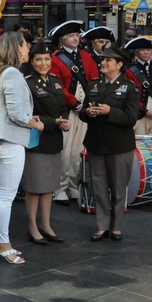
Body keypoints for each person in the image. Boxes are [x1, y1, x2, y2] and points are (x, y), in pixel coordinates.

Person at [0, 32, 44, 264]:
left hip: (4, 139)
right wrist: (36, 123)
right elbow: (17, 114)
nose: (28, 49)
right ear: (17, 49)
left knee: (1, 192)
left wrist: (29, 118)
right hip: (10, 141)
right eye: (26, 46)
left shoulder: (2, 72)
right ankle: (2, 243)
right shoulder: (11, 73)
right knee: (6, 195)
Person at [80, 44, 140, 242]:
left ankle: (116, 227)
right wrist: (87, 113)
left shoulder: (130, 88)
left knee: (117, 187)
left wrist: (110, 112)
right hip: (96, 143)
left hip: (119, 145)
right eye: (102, 59)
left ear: (119, 64)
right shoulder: (94, 85)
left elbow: (131, 119)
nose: (103, 63)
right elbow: (83, 114)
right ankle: (101, 225)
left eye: (108, 60)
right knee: (98, 186)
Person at [23, 40, 70, 245]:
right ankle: (33, 226)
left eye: (46, 59)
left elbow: (63, 105)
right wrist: (55, 122)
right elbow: (28, 115)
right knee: (35, 186)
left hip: (54, 138)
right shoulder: (27, 82)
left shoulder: (55, 81)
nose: (43, 63)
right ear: (32, 62)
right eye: (39, 59)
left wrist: (65, 119)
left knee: (49, 186)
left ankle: (46, 224)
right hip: (37, 139)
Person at [48, 20, 99, 206]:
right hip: (66, 109)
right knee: (64, 151)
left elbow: (94, 81)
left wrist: (89, 103)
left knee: (78, 151)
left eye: (77, 35)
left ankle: (72, 186)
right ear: (62, 39)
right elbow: (57, 87)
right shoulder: (55, 59)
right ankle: (59, 188)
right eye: (71, 36)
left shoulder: (86, 56)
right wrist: (74, 103)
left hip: (84, 109)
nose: (75, 38)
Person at [124, 36, 152, 136]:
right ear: (136, 52)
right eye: (142, 50)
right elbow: (130, 96)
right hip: (139, 115)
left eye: (148, 50)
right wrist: (144, 110)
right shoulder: (130, 71)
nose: (146, 52)